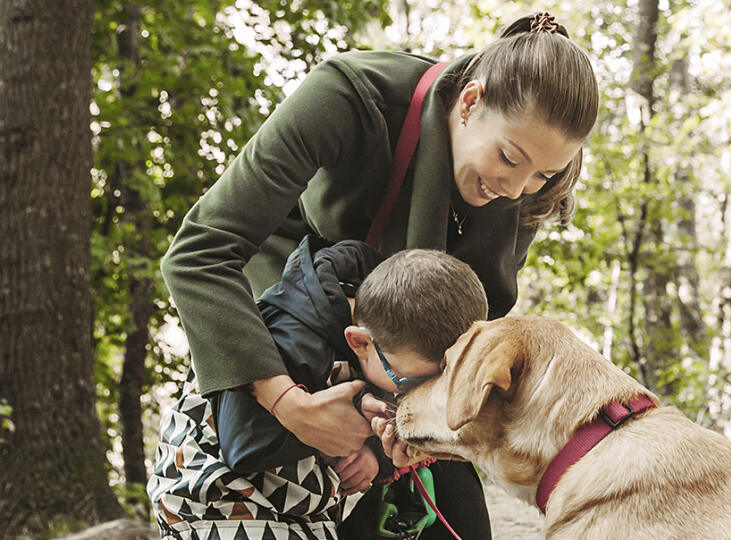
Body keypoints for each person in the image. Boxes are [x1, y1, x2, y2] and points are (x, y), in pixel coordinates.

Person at [159, 9, 598, 539]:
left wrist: (390, 454)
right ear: (471, 101)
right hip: (287, 352)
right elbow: (200, 252)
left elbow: (470, 351)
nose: (516, 188)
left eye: (543, 175)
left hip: (407, 392)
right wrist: (288, 402)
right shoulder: (348, 99)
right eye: (509, 158)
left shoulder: (527, 188)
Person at [148, 239, 489, 538]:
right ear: (360, 344)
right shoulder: (293, 337)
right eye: (409, 383)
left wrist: (378, 456)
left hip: (303, 512)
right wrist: (355, 414)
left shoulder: (395, 338)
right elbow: (245, 447)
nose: (412, 395)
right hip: (217, 504)